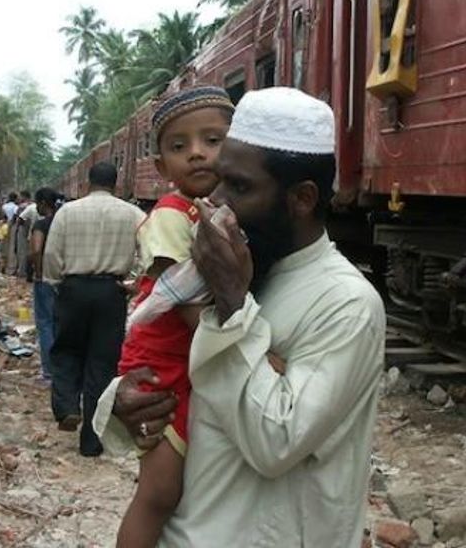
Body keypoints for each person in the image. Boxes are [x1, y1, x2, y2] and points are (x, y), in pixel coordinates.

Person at [94, 87, 386, 547]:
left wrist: (233, 306)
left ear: (302, 199)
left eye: (240, 187)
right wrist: (127, 401)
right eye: (220, 181)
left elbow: (276, 441)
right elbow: (172, 353)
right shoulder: (226, 267)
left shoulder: (345, 303)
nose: (216, 202)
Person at [109, 86, 235, 547]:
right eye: (179, 147)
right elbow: (190, 312)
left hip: (185, 362)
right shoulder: (170, 217)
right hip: (162, 365)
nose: (197, 154)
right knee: (159, 492)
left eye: (212, 140)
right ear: (160, 167)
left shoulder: (214, 214)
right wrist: (259, 357)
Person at [43, 162, 145, 456]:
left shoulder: (67, 212)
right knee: (102, 362)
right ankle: (91, 440)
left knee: (66, 350)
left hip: (73, 289)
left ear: (89, 182)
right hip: (111, 292)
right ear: (116, 182)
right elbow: (151, 247)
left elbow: (52, 253)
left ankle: (66, 407)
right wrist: (134, 282)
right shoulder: (133, 214)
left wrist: (55, 282)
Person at [30, 187, 60, 383]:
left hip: (45, 279)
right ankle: (62, 369)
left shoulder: (41, 225)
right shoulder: (63, 222)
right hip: (63, 278)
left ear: (42, 203)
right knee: (58, 323)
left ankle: (49, 371)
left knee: (45, 323)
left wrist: (38, 272)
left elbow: (36, 249)